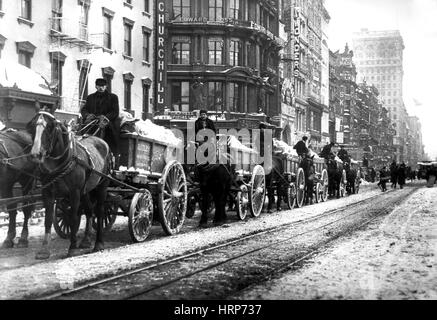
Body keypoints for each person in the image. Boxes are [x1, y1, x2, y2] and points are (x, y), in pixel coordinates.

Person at [80, 78, 120, 165]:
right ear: (96, 86)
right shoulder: (90, 97)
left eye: (103, 86)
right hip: (92, 123)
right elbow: (84, 110)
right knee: (83, 133)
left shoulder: (113, 97)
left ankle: (110, 158)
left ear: (106, 86)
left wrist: (105, 118)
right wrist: (87, 115)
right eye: (99, 86)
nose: (101, 88)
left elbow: (115, 112)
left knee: (109, 135)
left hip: (108, 124)